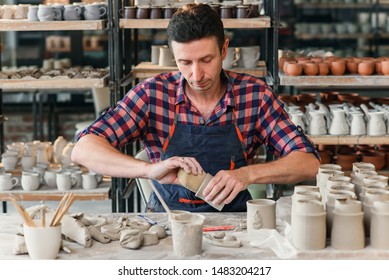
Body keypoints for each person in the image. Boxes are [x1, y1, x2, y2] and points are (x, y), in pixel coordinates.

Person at [72, 3, 320, 212]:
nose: (196, 74)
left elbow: (308, 162)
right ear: (173, 56)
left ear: (224, 49)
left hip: (233, 219)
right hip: (168, 218)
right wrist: (148, 170)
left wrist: (248, 175)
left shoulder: (255, 95)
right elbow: (83, 149)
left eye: (206, 60)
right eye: (185, 62)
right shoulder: (152, 94)